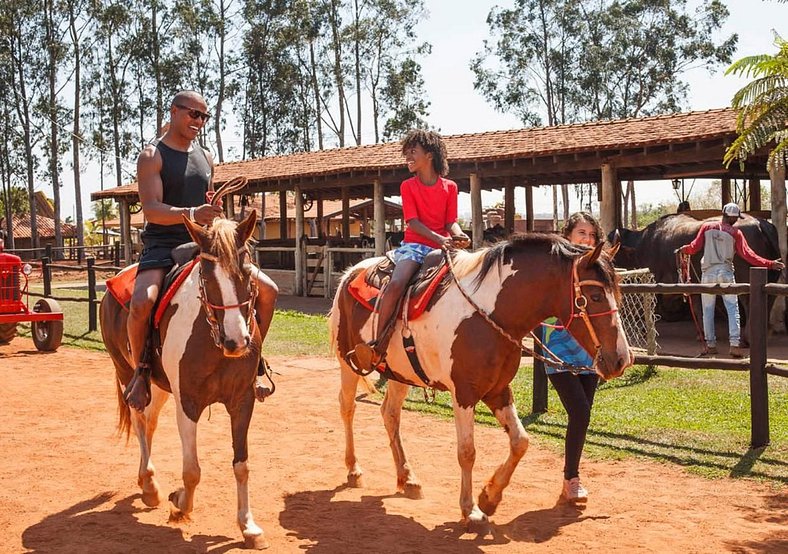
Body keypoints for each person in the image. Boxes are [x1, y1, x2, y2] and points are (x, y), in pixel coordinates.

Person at [124, 90, 279, 412]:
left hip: (205, 243)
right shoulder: (152, 155)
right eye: (193, 114)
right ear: (173, 111)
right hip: (163, 245)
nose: (199, 121)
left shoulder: (206, 157)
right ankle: (140, 371)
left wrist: (212, 212)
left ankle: (255, 361)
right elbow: (151, 210)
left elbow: (206, 203)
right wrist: (194, 213)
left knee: (268, 290)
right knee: (142, 302)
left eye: (204, 117)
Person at [353, 129, 469, 372]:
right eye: (406, 152)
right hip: (416, 246)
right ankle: (378, 343)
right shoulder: (408, 186)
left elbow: (451, 221)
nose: (408, 156)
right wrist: (440, 238)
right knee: (396, 285)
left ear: (429, 154)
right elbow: (413, 222)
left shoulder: (450, 187)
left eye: (412, 151)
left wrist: (458, 234)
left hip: (444, 246)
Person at [540, 212, 605, 503]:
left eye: (591, 235)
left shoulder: (596, 271)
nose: (587, 239)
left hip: (589, 353)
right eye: (581, 233)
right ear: (568, 236)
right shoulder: (554, 270)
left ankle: (570, 477)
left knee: (583, 415)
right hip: (558, 351)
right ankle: (572, 478)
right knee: (579, 411)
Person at [679, 202, 784, 358]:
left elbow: (694, 247)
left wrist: (684, 249)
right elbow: (749, 255)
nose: (735, 221)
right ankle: (734, 345)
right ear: (734, 218)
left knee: (707, 311)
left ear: (723, 214)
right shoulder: (736, 233)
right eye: (735, 218)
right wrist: (770, 263)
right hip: (726, 273)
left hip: (707, 274)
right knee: (733, 310)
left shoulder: (707, 227)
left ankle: (710, 345)